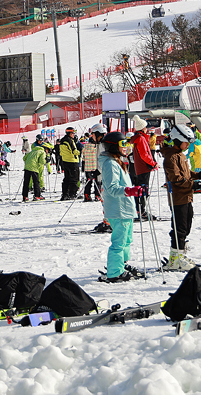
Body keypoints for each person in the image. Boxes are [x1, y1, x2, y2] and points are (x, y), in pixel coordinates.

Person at [160, 125, 201, 271]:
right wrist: (194, 185)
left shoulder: (181, 155)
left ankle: (179, 255)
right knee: (179, 227)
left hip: (186, 197)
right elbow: (177, 179)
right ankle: (175, 259)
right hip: (178, 198)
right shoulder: (171, 157)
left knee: (186, 226)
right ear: (178, 141)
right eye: (186, 142)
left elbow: (187, 173)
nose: (188, 145)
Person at [98, 132, 145, 282]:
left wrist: (135, 189)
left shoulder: (117, 161)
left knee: (126, 240)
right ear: (113, 146)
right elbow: (111, 188)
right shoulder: (110, 164)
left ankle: (121, 265)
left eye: (127, 144)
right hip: (119, 209)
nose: (126, 147)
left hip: (125, 208)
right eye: (123, 144)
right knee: (119, 242)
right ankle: (114, 272)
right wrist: (130, 191)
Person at [129, 115, 157, 219]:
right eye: (146, 127)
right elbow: (144, 154)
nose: (147, 129)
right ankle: (141, 211)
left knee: (141, 188)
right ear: (142, 128)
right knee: (143, 189)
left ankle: (140, 209)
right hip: (143, 167)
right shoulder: (140, 138)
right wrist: (153, 163)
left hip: (141, 167)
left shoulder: (140, 138)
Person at [82, 123, 107, 202]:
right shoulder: (95, 145)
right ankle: (89, 195)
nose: (92, 136)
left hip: (102, 170)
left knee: (99, 180)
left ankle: (98, 194)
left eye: (93, 134)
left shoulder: (104, 145)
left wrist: (99, 169)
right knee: (90, 180)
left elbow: (104, 159)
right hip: (93, 167)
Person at [58, 127, 81, 200]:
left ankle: (65, 194)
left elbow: (61, 152)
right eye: (73, 133)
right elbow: (74, 151)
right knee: (74, 178)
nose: (74, 135)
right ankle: (72, 194)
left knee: (67, 178)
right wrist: (81, 151)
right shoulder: (70, 141)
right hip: (72, 161)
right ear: (69, 133)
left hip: (65, 161)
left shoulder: (62, 140)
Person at [21, 137, 46, 202]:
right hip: (34, 167)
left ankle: (25, 196)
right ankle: (37, 195)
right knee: (36, 182)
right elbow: (42, 161)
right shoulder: (42, 152)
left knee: (26, 182)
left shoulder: (32, 151)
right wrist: (46, 161)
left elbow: (24, 158)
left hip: (27, 167)